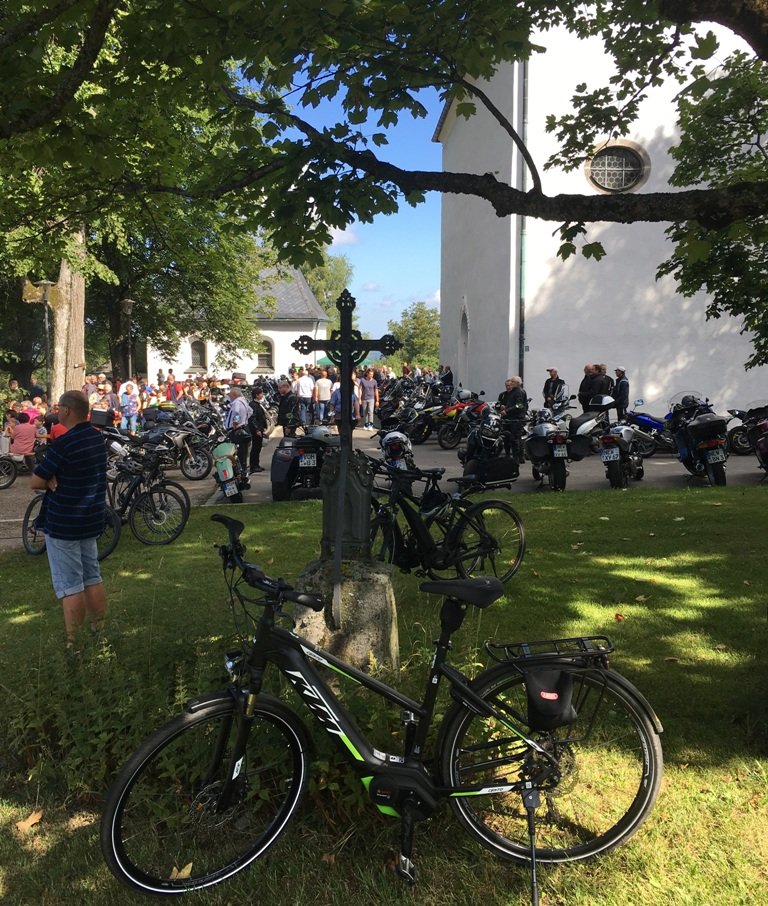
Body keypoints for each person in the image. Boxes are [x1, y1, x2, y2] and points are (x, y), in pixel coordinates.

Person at [30, 390, 108, 649]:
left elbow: (35, 481)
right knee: (92, 576)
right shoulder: (97, 439)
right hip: (90, 517)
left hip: (64, 521)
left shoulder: (64, 444)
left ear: (66, 410)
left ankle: (74, 645)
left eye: (59, 406)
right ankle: (99, 633)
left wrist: (51, 476)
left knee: (71, 584)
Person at [497, 376, 528, 460]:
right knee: (507, 437)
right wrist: (501, 407)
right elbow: (498, 404)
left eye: (512, 382)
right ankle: (511, 456)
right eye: (507, 384)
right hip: (508, 418)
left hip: (516, 418)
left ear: (517, 383)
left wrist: (507, 410)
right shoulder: (504, 394)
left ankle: (518, 458)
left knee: (516, 438)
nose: (510, 385)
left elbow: (520, 405)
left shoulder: (519, 392)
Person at [224, 385, 252, 476]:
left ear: (234, 395)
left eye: (231, 395)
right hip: (244, 427)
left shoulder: (236, 402)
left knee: (238, 450)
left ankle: (239, 470)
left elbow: (236, 412)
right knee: (243, 451)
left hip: (236, 429)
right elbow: (250, 411)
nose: (230, 397)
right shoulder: (243, 401)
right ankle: (243, 469)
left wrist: (236, 422)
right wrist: (244, 420)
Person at [248, 387, 269, 473]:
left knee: (258, 447)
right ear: (256, 395)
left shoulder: (258, 404)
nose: (262, 395)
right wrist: (257, 429)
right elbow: (252, 418)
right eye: (261, 393)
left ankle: (256, 464)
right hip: (256, 430)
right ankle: (253, 466)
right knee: (255, 448)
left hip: (260, 428)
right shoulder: (253, 405)